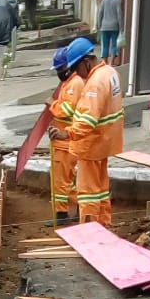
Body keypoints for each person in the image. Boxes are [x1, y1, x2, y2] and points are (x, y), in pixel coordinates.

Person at [64, 37, 124, 227]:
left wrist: (69, 133)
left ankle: (89, 231)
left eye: (76, 68)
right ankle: (104, 226)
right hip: (106, 142)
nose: (77, 74)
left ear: (86, 61)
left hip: (91, 145)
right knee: (101, 189)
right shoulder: (110, 72)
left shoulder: (95, 83)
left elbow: (87, 120)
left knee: (88, 192)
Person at [47, 45, 84, 225]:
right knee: (64, 180)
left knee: (62, 182)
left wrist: (52, 105)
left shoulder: (74, 84)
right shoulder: (69, 83)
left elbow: (66, 110)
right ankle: (77, 209)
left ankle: (64, 213)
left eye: (61, 69)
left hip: (66, 140)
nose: (59, 73)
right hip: (64, 138)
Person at [96, 0, 123, 66]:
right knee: (114, 45)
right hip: (115, 26)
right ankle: (111, 63)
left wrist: (99, 24)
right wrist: (121, 27)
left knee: (105, 45)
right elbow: (119, 14)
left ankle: (105, 62)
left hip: (104, 26)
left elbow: (100, 12)